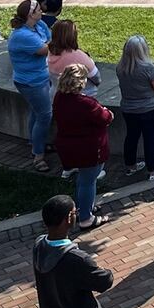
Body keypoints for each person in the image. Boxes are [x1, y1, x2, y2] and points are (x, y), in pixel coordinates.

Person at [52, 65, 112, 231]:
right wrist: (107, 111)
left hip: (69, 147)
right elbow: (106, 117)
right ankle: (86, 217)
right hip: (89, 149)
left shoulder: (59, 98)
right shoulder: (86, 103)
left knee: (82, 180)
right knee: (88, 181)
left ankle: (82, 208)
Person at [8, 0, 55, 172]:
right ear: (30, 15)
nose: (41, 10)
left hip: (41, 77)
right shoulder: (22, 35)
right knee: (45, 115)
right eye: (37, 9)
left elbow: (49, 38)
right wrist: (59, 37)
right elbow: (45, 49)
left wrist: (52, 39)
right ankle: (38, 156)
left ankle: (35, 142)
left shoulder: (39, 25)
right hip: (31, 82)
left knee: (36, 113)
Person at [115, 36, 154, 181]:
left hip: (128, 108)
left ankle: (130, 166)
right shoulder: (148, 68)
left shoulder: (120, 67)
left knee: (131, 137)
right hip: (149, 109)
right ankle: (152, 170)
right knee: (150, 139)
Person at [48, 19, 100, 98]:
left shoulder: (51, 53)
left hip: (57, 97)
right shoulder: (79, 56)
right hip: (82, 99)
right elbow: (96, 78)